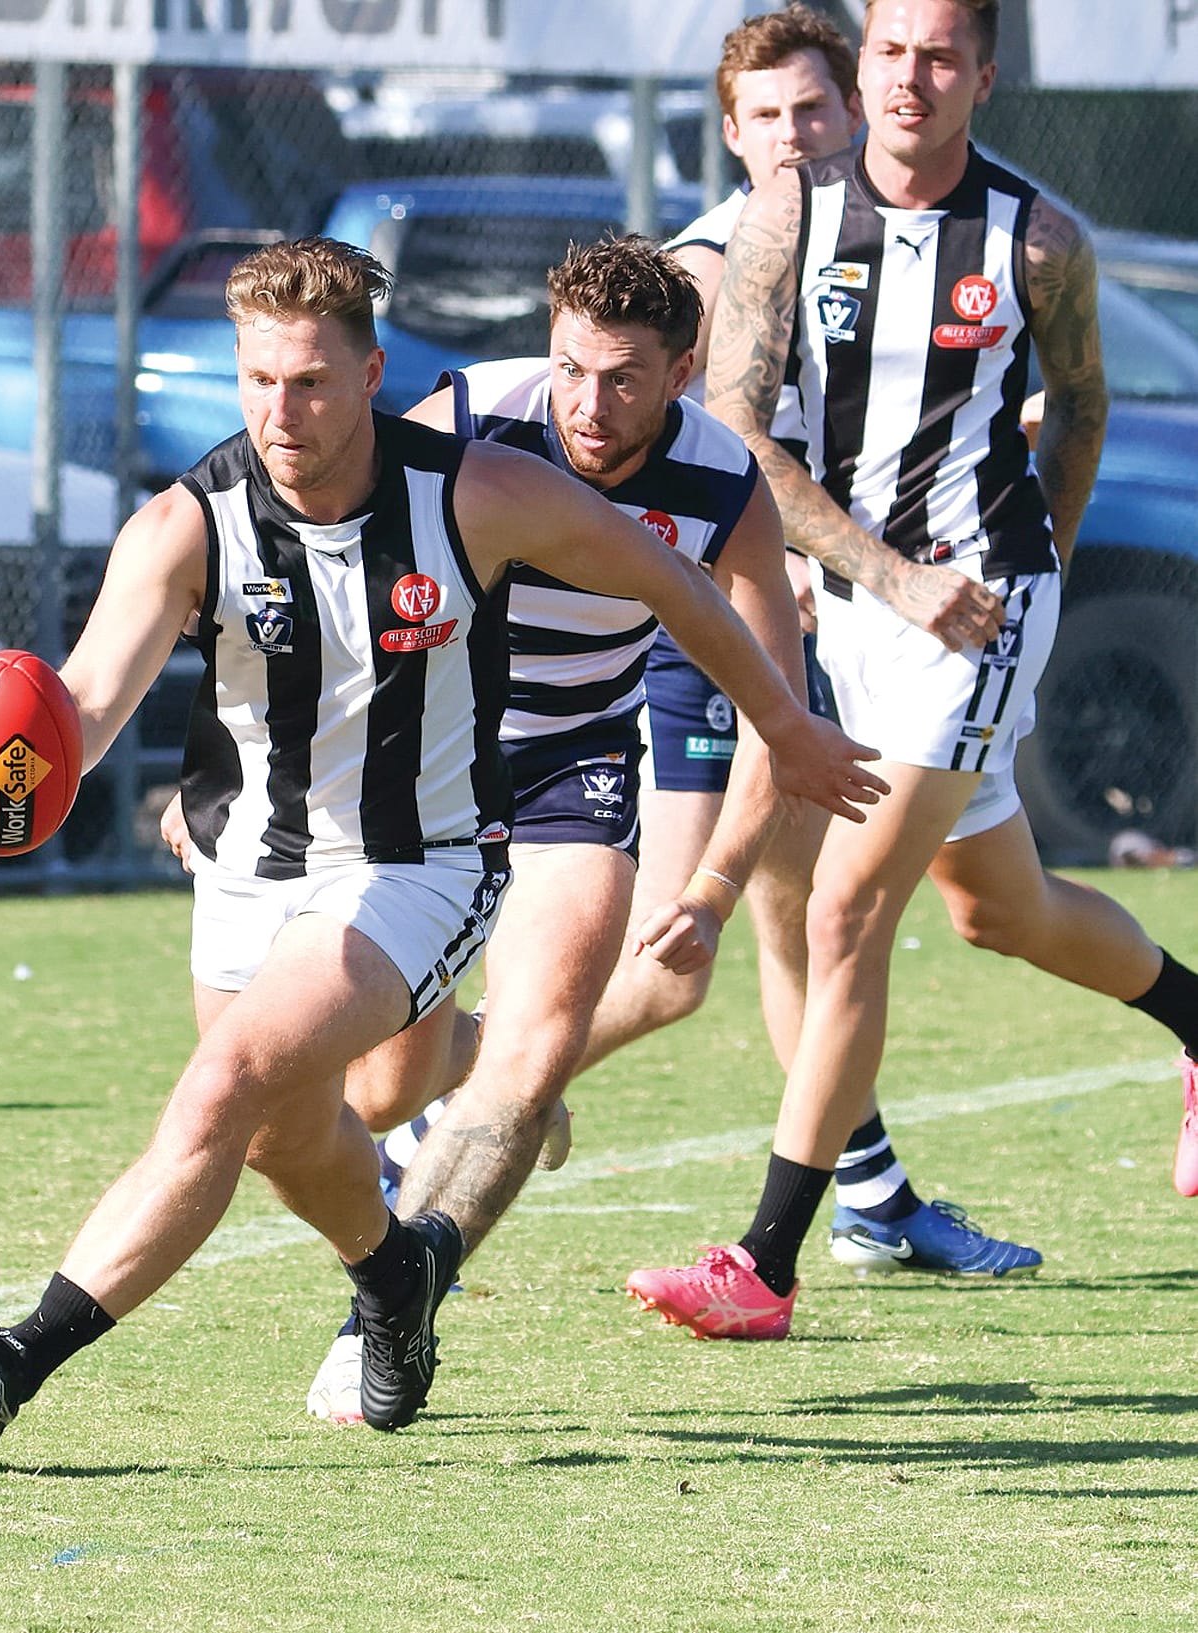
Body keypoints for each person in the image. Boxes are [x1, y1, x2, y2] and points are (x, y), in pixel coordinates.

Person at [0, 236, 884, 1467]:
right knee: (320, 1116)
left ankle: (15, 1360)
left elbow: (677, 589)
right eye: (259, 382)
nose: (282, 412)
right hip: (263, 838)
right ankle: (395, 1272)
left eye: (310, 382)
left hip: (439, 834)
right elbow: (87, 699)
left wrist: (779, 741)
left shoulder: (477, 488)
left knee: (233, 1084)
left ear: (372, 375)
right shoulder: (185, 522)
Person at [625, 0, 1198, 1342]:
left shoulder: (1040, 237)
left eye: (942, 55)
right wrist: (880, 579)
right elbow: (740, 432)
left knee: (842, 913)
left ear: (983, 78)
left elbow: (1086, 403)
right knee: (1001, 911)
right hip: (870, 600)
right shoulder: (785, 221)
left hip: (975, 616)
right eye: (890, 48)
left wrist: (1026, 570)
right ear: (865, 61)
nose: (911, 77)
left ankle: (767, 1261)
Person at [286, 233, 816, 1423]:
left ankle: (383, 1318)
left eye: (624, 376)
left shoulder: (727, 487)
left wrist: (720, 884)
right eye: (573, 366)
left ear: (681, 373)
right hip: (424, 760)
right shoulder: (474, 414)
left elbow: (779, 707)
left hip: (578, 764)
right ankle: (479, 1064)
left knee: (532, 1062)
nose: (589, 402)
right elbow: (332, 566)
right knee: (379, 1093)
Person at [590, 5, 1039, 1277]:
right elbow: (685, 451)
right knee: (695, 951)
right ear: (731, 136)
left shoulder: (893, 231)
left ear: (853, 113)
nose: (797, 133)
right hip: (711, 627)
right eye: (769, 116)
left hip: (829, 629)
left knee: (814, 911)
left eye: (815, 109)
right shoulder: (716, 261)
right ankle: (463, 1098)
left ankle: (871, 1193)